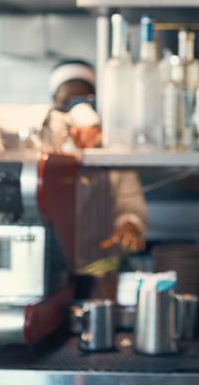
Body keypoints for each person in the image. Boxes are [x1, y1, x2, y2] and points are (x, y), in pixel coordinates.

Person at [49, 60, 147, 255]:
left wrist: (129, 225)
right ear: (54, 105)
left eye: (83, 101)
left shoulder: (113, 153)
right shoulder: (44, 147)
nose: (76, 112)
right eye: (66, 104)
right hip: (52, 254)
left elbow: (131, 208)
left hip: (101, 260)